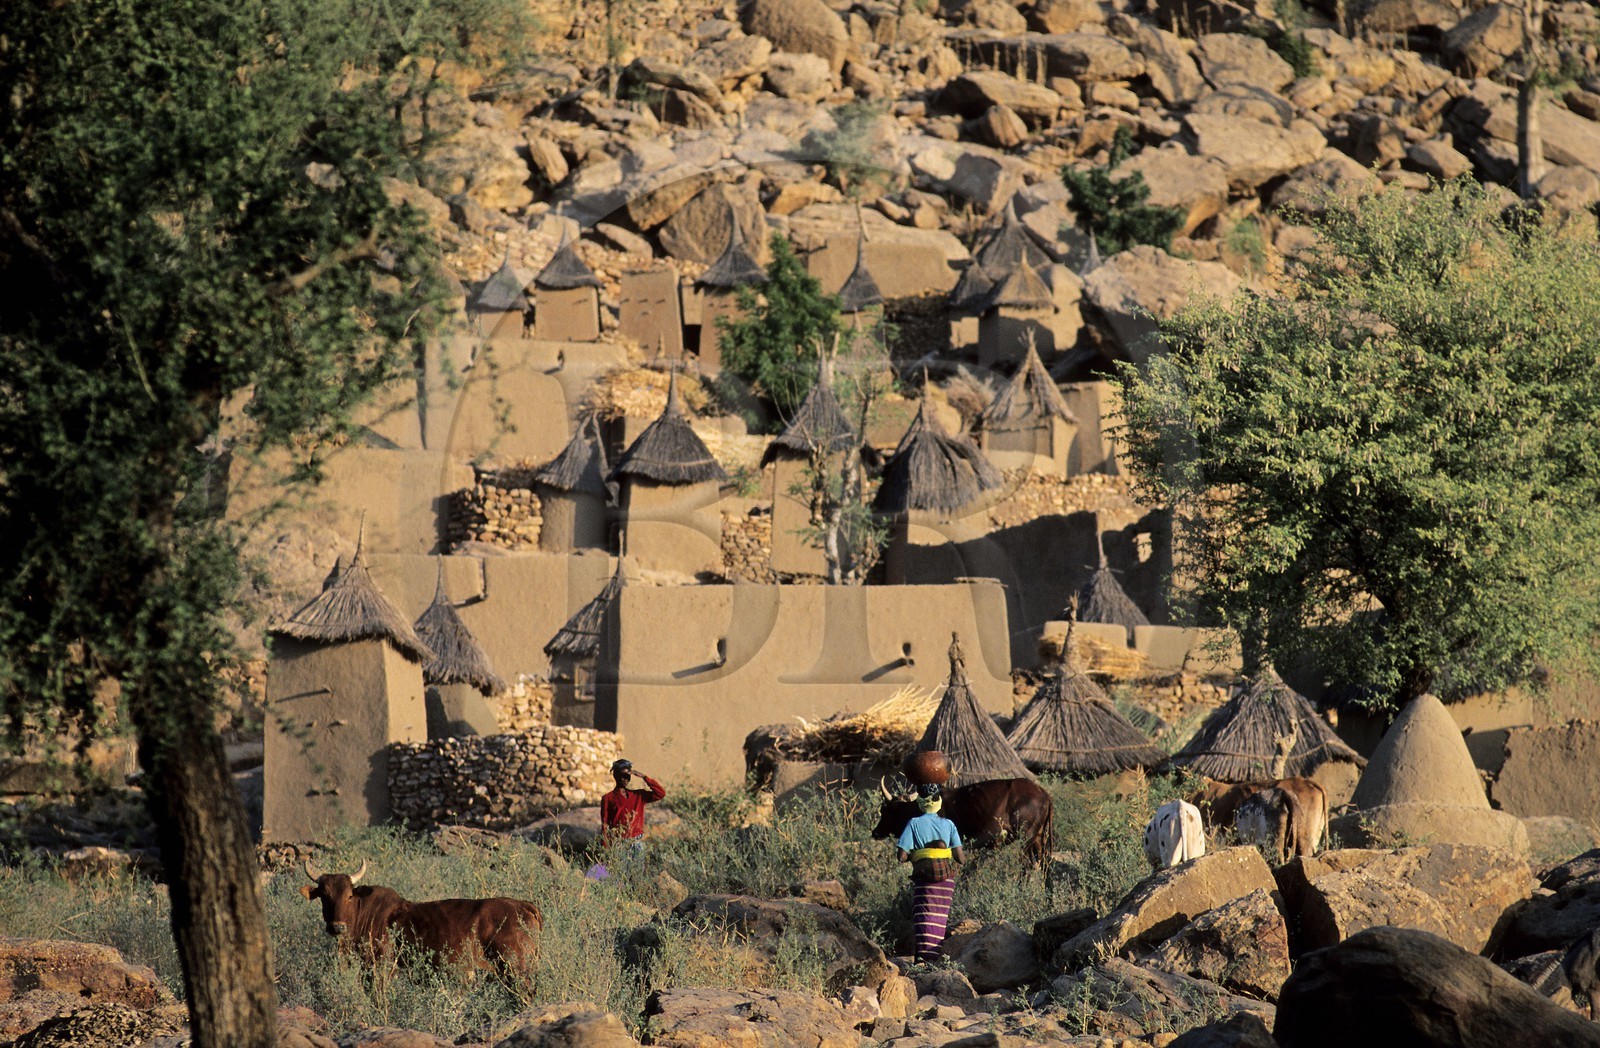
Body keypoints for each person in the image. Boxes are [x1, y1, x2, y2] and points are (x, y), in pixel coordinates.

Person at [895, 782, 965, 963]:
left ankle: (923, 961)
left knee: (925, 919)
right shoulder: (949, 824)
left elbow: (901, 856)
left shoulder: (914, 824)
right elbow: (960, 859)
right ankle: (933, 959)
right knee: (939, 922)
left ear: (920, 802)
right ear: (938, 801)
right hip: (946, 880)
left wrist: (919, 854)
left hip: (925, 878)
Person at [600, 758, 666, 845]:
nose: (626, 779)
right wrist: (605, 847)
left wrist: (644, 777)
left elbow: (660, 793)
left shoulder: (638, 796)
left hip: (637, 841)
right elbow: (605, 824)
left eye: (628, 775)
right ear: (615, 776)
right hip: (619, 842)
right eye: (622, 775)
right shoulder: (608, 798)